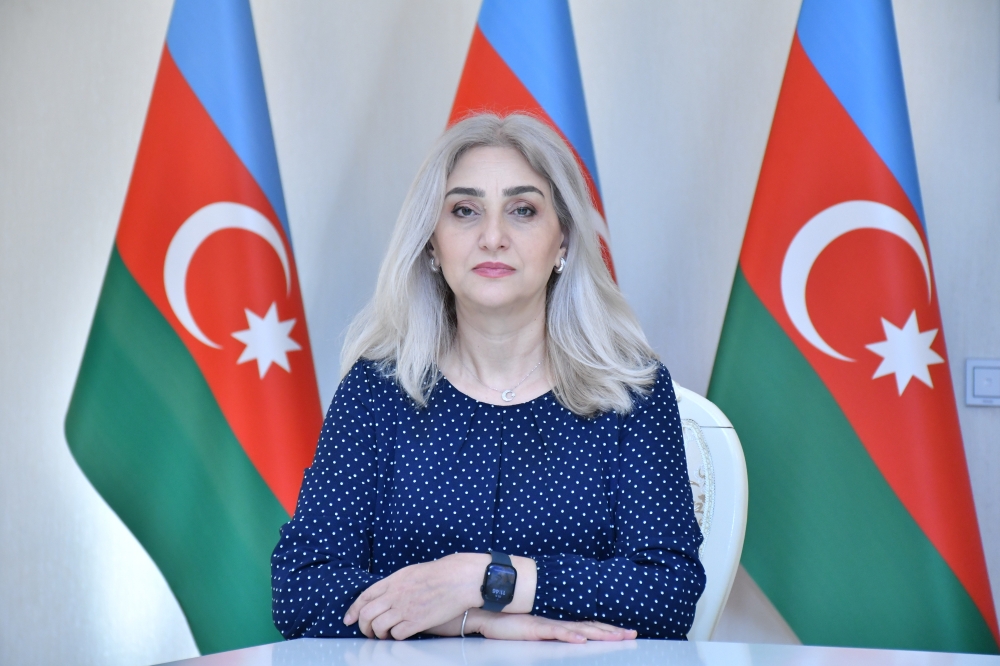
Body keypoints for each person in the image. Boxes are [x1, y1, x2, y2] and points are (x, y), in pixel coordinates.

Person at [271, 113, 705, 643]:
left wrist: (480, 578)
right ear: (432, 243)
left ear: (564, 241)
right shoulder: (376, 391)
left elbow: (668, 593)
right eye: (465, 211)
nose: (493, 237)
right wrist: (473, 619)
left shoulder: (631, 392)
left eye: (523, 210)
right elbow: (300, 589)